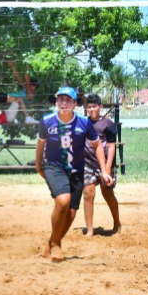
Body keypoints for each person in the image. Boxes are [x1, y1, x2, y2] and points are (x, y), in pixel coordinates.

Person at [36, 87, 112, 262]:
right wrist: (39, 166)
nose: (64, 103)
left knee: (71, 213)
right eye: (60, 99)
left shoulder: (84, 123)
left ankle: (50, 244)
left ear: (75, 104)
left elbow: (98, 145)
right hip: (54, 166)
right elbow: (40, 144)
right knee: (63, 201)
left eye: (68, 100)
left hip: (76, 170)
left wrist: (104, 170)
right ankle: (57, 244)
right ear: (56, 103)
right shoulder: (47, 121)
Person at [82, 94, 121, 236]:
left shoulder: (108, 125)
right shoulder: (83, 124)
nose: (92, 109)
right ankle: (90, 230)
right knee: (88, 193)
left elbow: (111, 147)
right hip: (88, 165)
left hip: (105, 165)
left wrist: (108, 168)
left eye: (94, 106)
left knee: (108, 193)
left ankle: (117, 224)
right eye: (89, 107)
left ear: (100, 107)